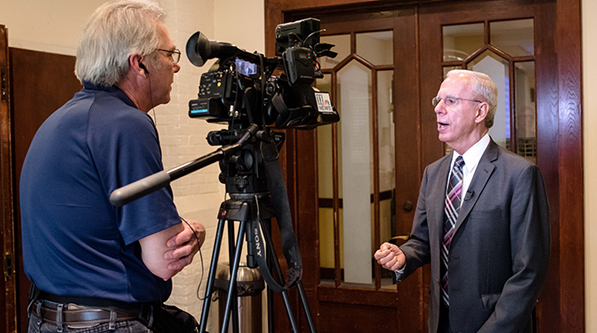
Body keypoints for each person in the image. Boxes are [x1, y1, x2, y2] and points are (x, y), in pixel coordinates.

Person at [19, 1, 206, 332]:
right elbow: (163, 260)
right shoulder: (126, 124)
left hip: (45, 318)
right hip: (107, 324)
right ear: (140, 63)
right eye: (169, 55)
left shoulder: (59, 121)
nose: (175, 67)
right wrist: (194, 233)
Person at [374, 70, 550, 333]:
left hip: (495, 324)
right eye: (438, 101)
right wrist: (404, 256)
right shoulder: (433, 173)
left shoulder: (520, 174)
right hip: (441, 322)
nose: (438, 109)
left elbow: (529, 270)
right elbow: (422, 241)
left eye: (451, 101)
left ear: (480, 112)